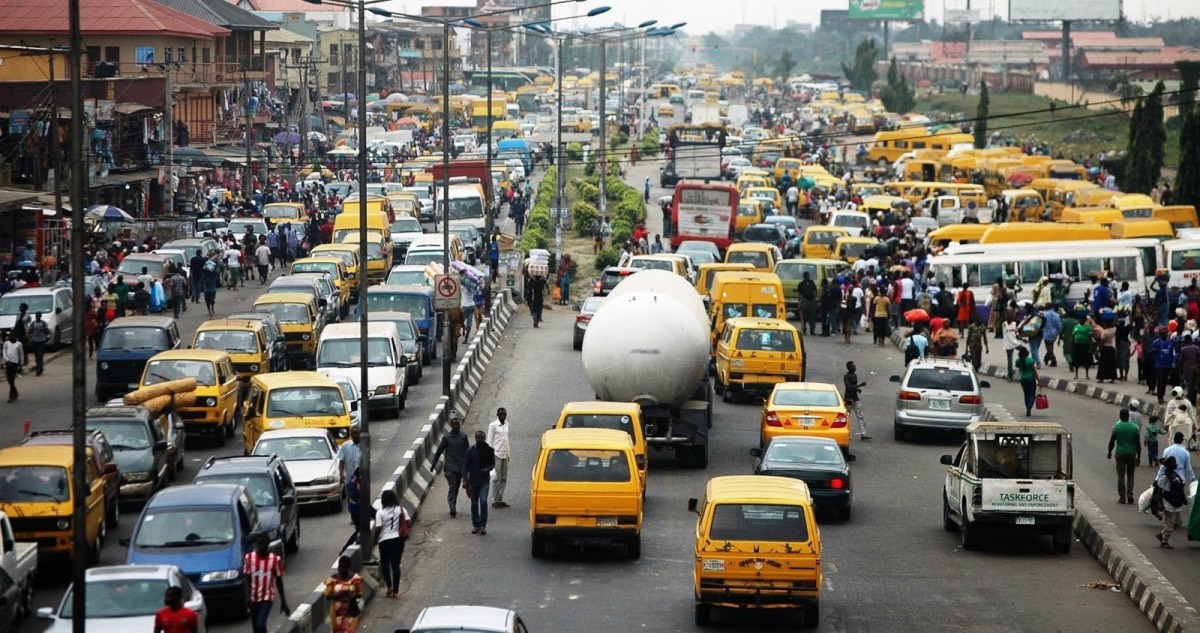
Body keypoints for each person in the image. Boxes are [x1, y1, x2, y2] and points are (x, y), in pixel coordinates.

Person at [244, 533, 287, 633]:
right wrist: (248, 596)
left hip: (267, 597)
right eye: (259, 544)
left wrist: (283, 601)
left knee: (260, 623)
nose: (260, 547)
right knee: (256, 628)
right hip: (253, 598)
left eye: (263, 545)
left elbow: (279, 581)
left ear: (267, 545)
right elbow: (247, 578)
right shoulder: (249, 558)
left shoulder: (275, 560)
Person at [373, 489, 410, 598]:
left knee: (385, 564)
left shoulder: (380, 512)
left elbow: (378, 528)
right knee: (395, 565)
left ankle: (389, 587)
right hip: (398, 539)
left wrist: (375, 540)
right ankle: (396, 591)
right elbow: (408, 522)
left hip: (384, 541)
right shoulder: (400, 509)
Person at [431, 416, 470, 517]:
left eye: (458, 424)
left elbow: (468, 452)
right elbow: (439, 451)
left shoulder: (463, 437)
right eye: (454, 424)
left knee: (456, 487)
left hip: (460, 467)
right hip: (450, 467)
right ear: (451, 426)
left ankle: (453, 505)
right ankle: (452, 507)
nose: (456, 426)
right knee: (452, 486)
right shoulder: (447, 438)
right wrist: (433, 464)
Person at [464, 429, 495, 535]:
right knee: (473, 504)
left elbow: (492, 464)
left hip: (484, 481)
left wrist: (487, 469)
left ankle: (482, 525)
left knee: (483, 501)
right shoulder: (470, 451)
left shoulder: (489, 450)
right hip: (473, 481)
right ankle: (476, 525)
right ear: (475, 438)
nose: (480, 439)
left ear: (484, 438)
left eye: (482, 437)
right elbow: (465, 466)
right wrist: (465, 480)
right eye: (478, 437)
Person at [1108, 408, 1142, 504]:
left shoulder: (1116, 427)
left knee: (1121, 476)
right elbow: (1138, 443)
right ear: (1128, 416)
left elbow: (1112, 441)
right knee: (1131, 475)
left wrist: (1109, 452)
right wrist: (1138, 456)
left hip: (1120, 454)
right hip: (1131, 454)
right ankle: (1130, 494)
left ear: (1120, 416)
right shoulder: (1135, 427)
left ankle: (1122, 497)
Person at [323, 555, 363, 633]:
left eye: (343, 567)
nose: (341, 570)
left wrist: (352, 595)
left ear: (348, 567)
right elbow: (327, 596)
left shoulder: (355, 579)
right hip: (336, 613)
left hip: (350, 611)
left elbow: (360, 594)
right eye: (340, 567)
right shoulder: (333, 579)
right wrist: (339, 595)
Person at [1156, 455, 1187, 549]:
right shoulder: (1165, 478)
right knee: (1170, 524)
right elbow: (1159, 492)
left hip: (1176, 503)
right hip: (1169, 503)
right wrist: (1160, 505)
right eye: (1174, 463)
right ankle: (1164, 541)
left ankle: (1162, 534)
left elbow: (1180, 488)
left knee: (1178, 523)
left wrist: (1184, 499)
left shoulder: (1175, 475)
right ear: (1170, 465)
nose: (1176, 465)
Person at [337, 427, 363, 523]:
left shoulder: (364, 446)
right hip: (350, 478)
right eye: (354, 433)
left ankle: (363, 515)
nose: (356, 435)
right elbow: (341, 461)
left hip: (362, 478)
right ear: (351, 434)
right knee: (351, 498)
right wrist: (341, 474)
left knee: (363, 496)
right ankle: (353, 516)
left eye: (358, 433)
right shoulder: (345, 446)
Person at [487, 407, 511, 508]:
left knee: (504, 478)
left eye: (504, 414)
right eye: (501, 414)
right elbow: (489, 441)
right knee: (496, 478)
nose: (503, 416)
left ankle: (500, 498)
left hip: (505, 454)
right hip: (496, 454)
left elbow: (506, 440)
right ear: (497, 415)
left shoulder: (507, 424)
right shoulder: (493, 425)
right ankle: (494, 500)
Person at [843, 361, 870, 440]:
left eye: (854, 366)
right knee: (847, 417)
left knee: (860, 416)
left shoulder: (854, 375)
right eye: (852, 366)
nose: (854, 367)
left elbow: (853, 387)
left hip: (855, 398)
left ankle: (863, 434)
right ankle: (846, 434)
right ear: (848, 368)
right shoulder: (846, 376)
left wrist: (857, 389)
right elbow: (849, 388)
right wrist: (860, 385)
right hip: (848, 399)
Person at [1015, 347, 1040, 416]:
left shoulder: (1018, 360)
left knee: (1026, 394)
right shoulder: (1030, 360)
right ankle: (1029, 407)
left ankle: (1027, 407)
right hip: (1030, 379)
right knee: (1032, 394)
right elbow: (1034, 371)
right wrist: (1039, 380)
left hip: (1023, 379)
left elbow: (1017, 365)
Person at [27, 312, 49, 376]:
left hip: (42, 341)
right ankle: (40, 367)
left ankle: (38, 369)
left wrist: (43, 330)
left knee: (40, 355)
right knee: (36, 356)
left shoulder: (43, 323)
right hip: (34, 341)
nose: (37, 317)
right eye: (36, 316)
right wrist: (29, 339)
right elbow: (30, 331)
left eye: (39, 316)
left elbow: (47, 331)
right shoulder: (33, 323)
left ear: (40, 316)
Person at [3, 331, 22, 403]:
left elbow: (21, 354)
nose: (12, 337)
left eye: (13, 336)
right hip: (8, 363)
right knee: (9, 379)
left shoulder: (19, 344)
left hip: (15, 363)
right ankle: (15, 392)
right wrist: (6, 360)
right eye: (10, 336)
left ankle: (11, 396)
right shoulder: (6, 344)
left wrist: (21, 364)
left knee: (12, 379)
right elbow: (4, 352)